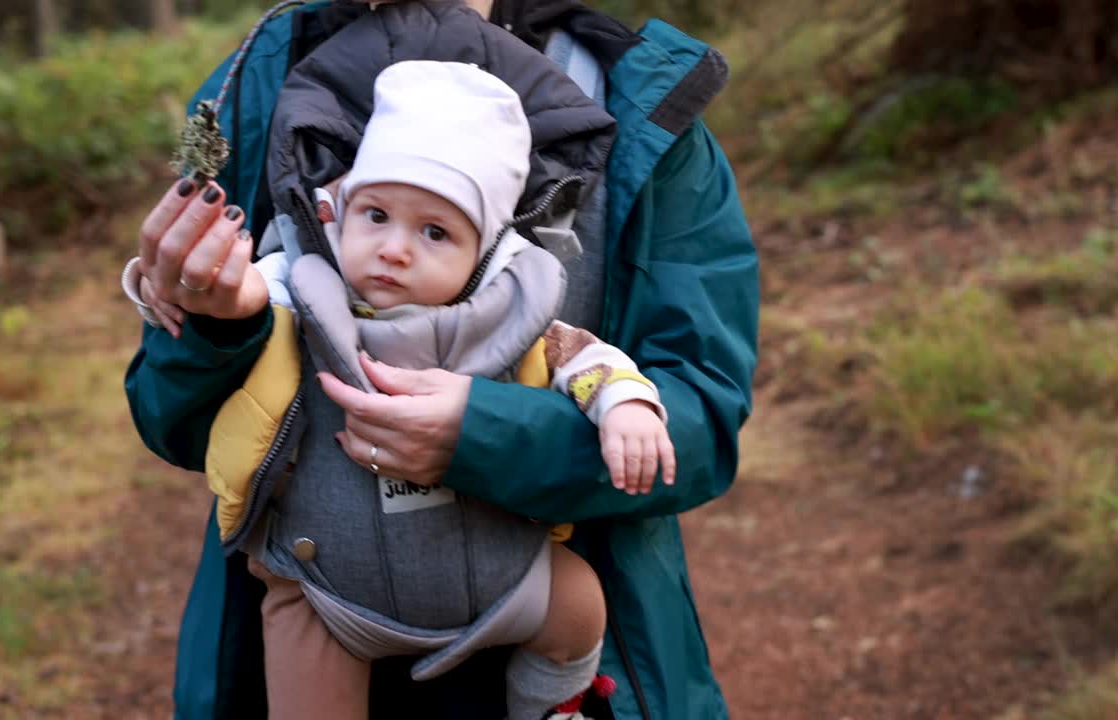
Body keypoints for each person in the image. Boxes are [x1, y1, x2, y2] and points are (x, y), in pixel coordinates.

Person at [124, 0, 758, 718]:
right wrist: (214, 324)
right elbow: (168, 416)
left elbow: (701, 415)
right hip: (313, 620)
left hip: (549, 621)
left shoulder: (635, 96)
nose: (395, 249)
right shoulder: (258, 81)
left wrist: (486, 434)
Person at [222, 58, 675, 720]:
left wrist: (627, 405)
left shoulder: (510, 310)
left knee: (579, 606)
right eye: (375, 215)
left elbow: (582, 358)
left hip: (503, 578)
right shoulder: (302, 286)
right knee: (296, 642)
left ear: (484, 252)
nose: (394, 249)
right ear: (340, 210)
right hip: (331, 590)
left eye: (435, 231)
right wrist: (206, 289)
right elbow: (239, 300)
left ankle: (554, 709)